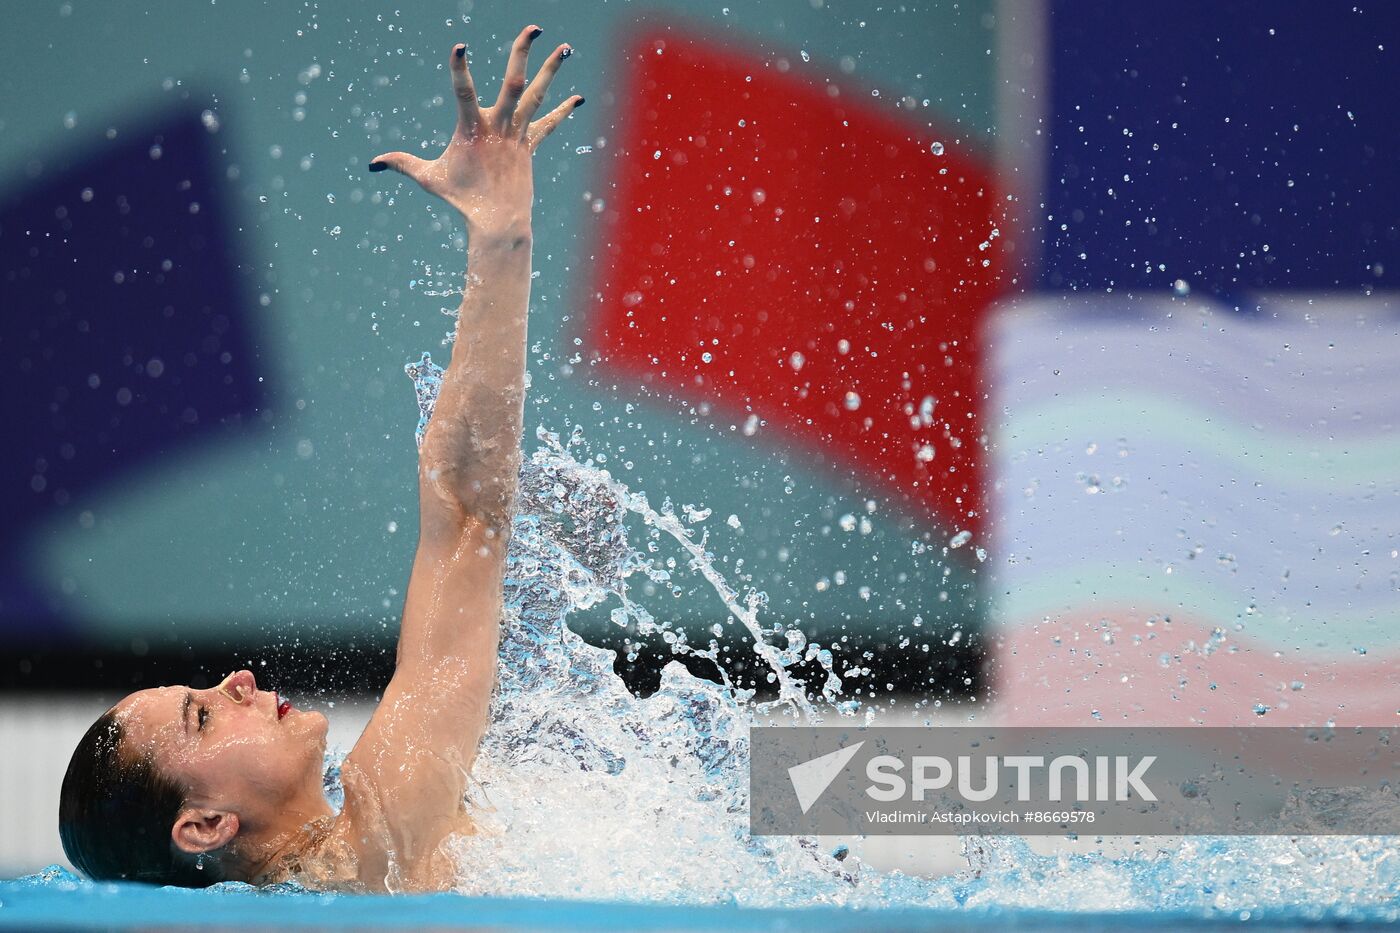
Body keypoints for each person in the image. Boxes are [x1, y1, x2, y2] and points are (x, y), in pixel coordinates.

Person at [58, 26, 583, 892]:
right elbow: (467, 515)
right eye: (199, 714)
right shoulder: (375, 840)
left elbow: (468, 516)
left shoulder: (364, 848)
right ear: (204, 826)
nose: (234, 677)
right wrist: (500, 237)